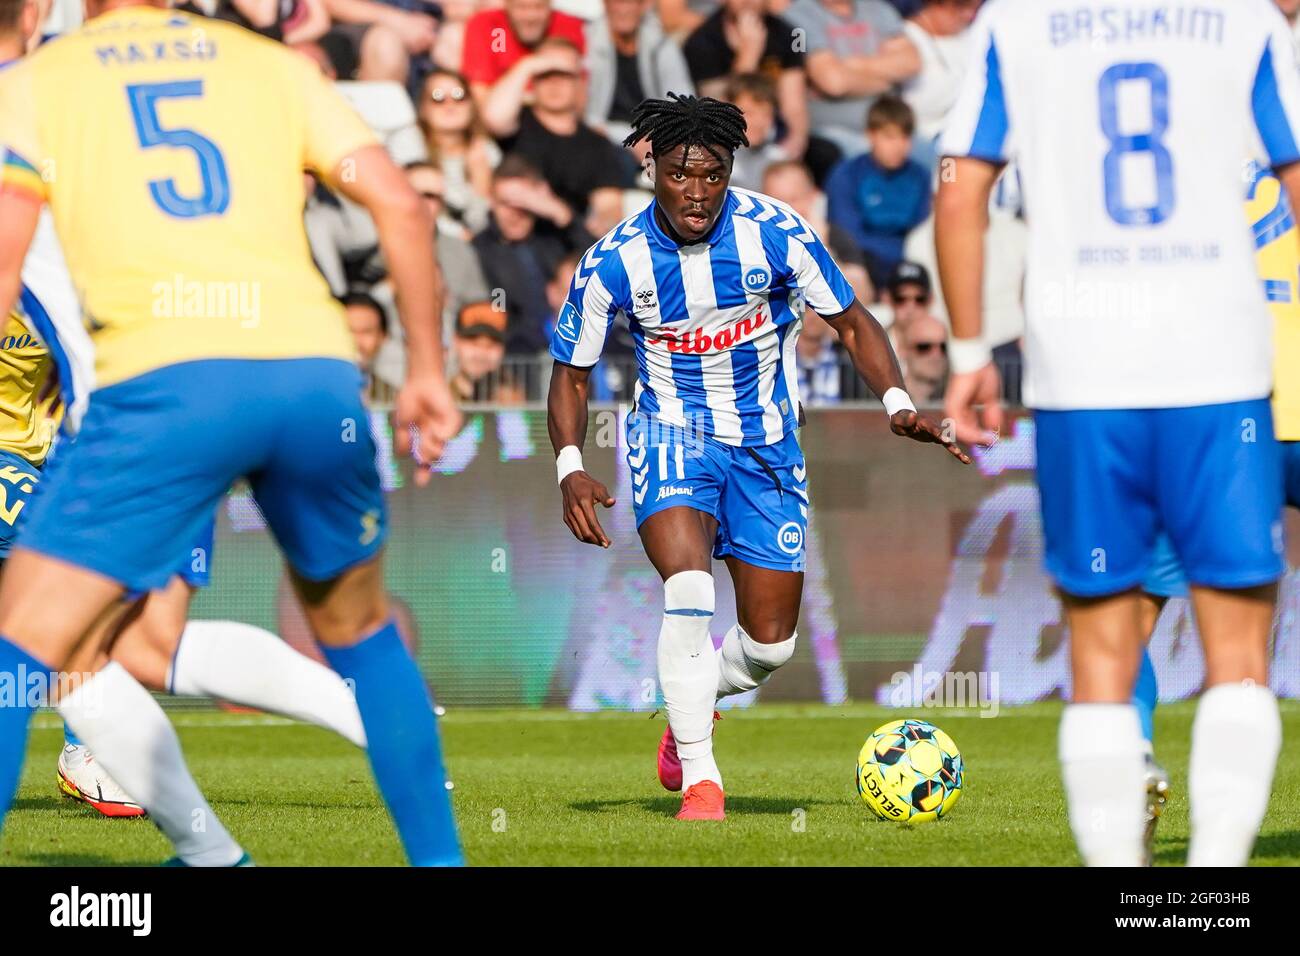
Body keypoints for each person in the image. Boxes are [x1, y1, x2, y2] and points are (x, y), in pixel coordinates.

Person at [0, 0, 463, 866]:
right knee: (348, 633)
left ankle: (214, 851)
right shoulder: (267, 64)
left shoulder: (39, 84)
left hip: (153, 394)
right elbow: (403, 206)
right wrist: (428, 372)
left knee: (21, 646)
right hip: (313, 376)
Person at [937, 0, 1300, 867]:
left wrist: (967, 352)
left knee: (1104, 647)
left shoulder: (1016, 23)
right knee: (1239, 648)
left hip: (1081, 375)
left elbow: (959, 185)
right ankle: (1213, 884)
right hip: (1221, 369)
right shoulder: (1245, 20)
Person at [547, 93, 968, 821]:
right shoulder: (613, 260)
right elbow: (571, 374)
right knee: (688, 591)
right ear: (654, 168)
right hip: (670, 437)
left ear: (731, 168)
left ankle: (692, 707)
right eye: (681, 174)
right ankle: (705, 784)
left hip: (768, 447)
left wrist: (898, 402)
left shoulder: (777, 232)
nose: (698, 191)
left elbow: (850, 318)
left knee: (770, 648)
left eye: (713, 174)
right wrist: (570, 465)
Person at [482, 36, 631, 223]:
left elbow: (609, 213)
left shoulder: (597, 144)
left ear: (580, 81)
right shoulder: (517, 122)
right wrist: (527, 65)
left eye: (564, 75)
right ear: (533, 80)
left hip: (569, 241)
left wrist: (559, 213)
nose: (554, 83)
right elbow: (493, 118)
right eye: (545, 74)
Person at [473, 154, 595, 363]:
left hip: (574, 347)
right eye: (505, 204)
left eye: (523, 205)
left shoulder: (554, 237)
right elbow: (497, 307)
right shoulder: (481, 249)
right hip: (517, 357)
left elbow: (603, 264)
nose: (514, 214)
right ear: (491, 202)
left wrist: (560, 213)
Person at [783, 0, 919, 158]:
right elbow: (833, 83)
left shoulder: (878, 9)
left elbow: (911, 63)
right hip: (833, 133)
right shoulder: (797, 16)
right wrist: (889, 81)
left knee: (935, 156)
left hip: (893, 128)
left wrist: (854, 65)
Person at [824, 94, 931, 290]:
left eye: (905, 137)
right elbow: (846, 236)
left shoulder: (921, 177)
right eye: (890, 136)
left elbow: (922, 233)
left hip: (911, 272)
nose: (898, 146)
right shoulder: (847, 174)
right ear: (871, 135)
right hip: (860, 267)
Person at [682, 0, 809, 159]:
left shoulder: (789, 34)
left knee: (823, 152)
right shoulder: (701, 42)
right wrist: (749, 55)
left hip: (775, 131)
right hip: (725, 144)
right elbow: (719, 113)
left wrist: (795, 143)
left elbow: (794, 105)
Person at [585, 0, 694, 148]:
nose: (623, 10)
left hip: (657, 139)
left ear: (644, 5)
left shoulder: (661, 46)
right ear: (605, 4)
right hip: (604, 140)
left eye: (631, 2)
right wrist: (630, 140)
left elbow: (684, 105)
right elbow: (587, 118)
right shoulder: (588, 44)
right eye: (617, 2)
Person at [417, 69, 500, 236]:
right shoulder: (413, 151)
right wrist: (457, 234)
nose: (450, 104)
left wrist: (481, 183)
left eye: (459, 95)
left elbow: (484, 223)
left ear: (471, 105)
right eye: (438, 97)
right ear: (424, 108)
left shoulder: (486, 152)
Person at [899, 0, 980, 167]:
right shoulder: (904, 35)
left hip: (969, 134)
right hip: (925, 137)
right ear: (937, 4)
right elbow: (919, 105)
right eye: (961, 6)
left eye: (973, 8)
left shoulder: (974, 34)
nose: (968, 15)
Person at [461, 0, 587, 101]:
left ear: (550, 5)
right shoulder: (488, 25)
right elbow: (481, 98)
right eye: (521, 7)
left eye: (539, 6)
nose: (530, 16)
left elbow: (577, 98)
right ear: (506, 5)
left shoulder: (569, 26)